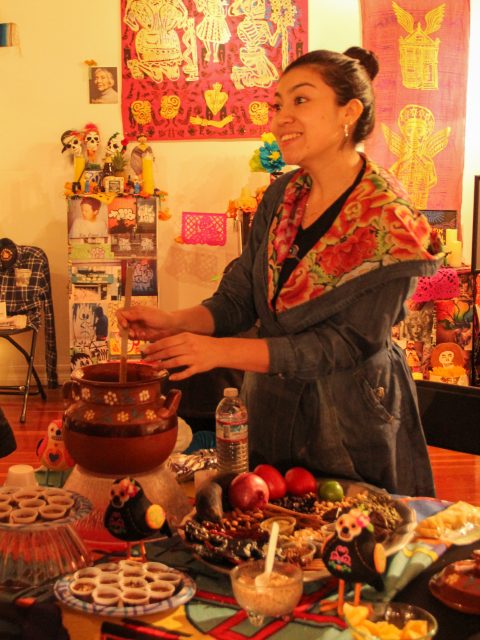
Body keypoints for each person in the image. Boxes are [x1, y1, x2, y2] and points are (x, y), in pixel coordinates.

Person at [117, 47, 443, 497]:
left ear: (349, 111)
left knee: (346, 539)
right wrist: (174, 320)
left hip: (349, 414)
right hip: (271, 405)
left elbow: (343, 346)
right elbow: (238, 298)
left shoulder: (388, 220)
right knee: (270, 533)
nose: (279, 118)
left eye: (301, 101)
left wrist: (216, 352)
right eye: (277, 105)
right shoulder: (283, 196)